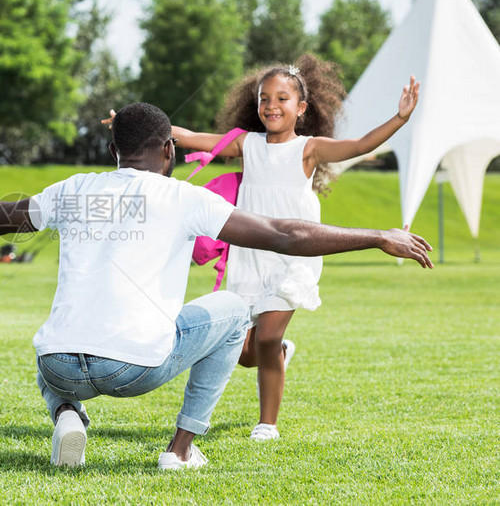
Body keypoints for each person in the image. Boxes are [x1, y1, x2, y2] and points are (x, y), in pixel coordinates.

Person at [0, 102, 432, 469]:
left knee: (54, 341)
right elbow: (284, 234)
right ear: (167, 150)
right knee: (232, 310)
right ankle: (181, 449)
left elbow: (1, 216)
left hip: (61, 366)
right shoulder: (183, 198)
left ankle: (67, 415)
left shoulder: (77, 191)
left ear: (113, 148)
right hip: (133, 368)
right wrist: (376, 236)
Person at [163, 54, 420, 441]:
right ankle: (280, 352)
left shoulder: (309, 149)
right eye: (264, 99)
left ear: (301, 108)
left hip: (294, 253)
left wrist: (399, 118)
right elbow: (192, 137)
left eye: (281, 99)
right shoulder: (247, 144)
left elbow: (361, 144)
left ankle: (268, 423)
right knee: (246, 352)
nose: (271, 106)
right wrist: (138, 125)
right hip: (250, 254)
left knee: (265, 337)